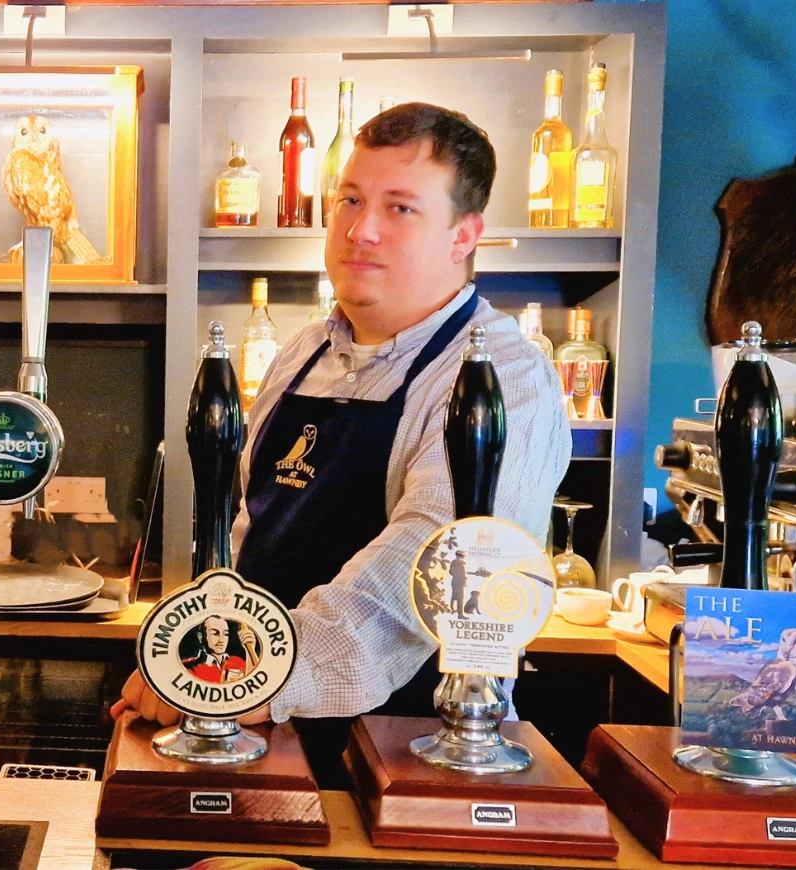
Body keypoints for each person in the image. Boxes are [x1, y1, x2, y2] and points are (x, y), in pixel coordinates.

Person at [113, 103, 569, 781]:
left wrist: (239, 678)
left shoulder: (501, 379)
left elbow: (421, 576)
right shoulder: (304, 351)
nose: (361, 230)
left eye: (401, 208)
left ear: (463, 235)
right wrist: (199, 653)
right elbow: (250, 530)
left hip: (405, 750)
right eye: (350, 200)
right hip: (263, 731)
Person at [182, 616, 250, 684]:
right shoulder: (190, 667)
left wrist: (250, 649)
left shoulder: (239, 662)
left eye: (225, 634)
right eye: (215, 634)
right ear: (201, 637)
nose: (221, 640)